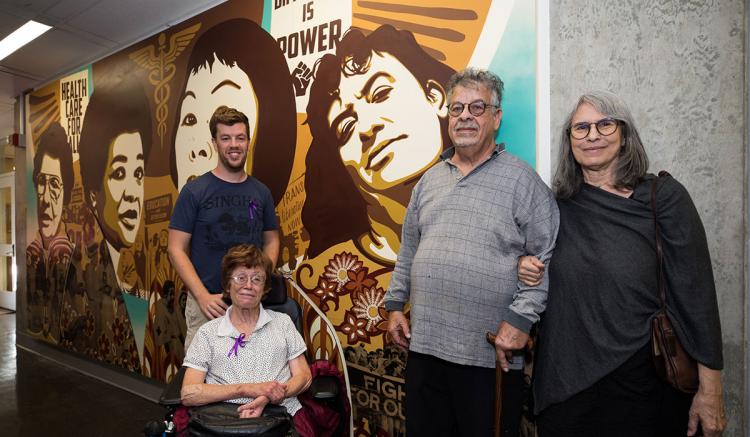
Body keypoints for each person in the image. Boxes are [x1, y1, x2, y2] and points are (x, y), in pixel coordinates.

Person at [517, 91, 726, 437]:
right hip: (565, 385)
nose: (593, 135)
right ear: (569, 142)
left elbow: (697, 297)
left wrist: (712, 390)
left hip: (644, 383)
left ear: (625, 135)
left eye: (605, 124)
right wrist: (523, 264)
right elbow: (528, 264)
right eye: (580, 128)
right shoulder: (554, 207)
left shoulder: (664, 198)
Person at [384, 68, 559, 436]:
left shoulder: (522, 180)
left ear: (496, 117)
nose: (465, 115)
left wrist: (519, 321)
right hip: (425, 350)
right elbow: (409, 251)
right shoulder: (429, 180)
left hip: (489, 357)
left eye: (477, 107)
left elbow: (546, 256)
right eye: (457, 107)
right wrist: (395, 306)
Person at [303, 24, 455, 265]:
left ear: (435, 97)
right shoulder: (322, 279)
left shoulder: (483, 225)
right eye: (346, 128)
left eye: (381, 93)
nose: (365, 129)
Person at [169, 106, 281, 348]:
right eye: (226, 138)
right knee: (201, 379)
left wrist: (262, 279)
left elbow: (271, 240)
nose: (234, 144)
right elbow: (176, 248)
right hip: (209, 304)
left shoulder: (261, 192)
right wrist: (202, 296)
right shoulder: (194, 192)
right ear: (214, 143)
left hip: (251, 302)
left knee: (249, 373)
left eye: (240, 138)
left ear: (248, 142)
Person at [181, 244, 312, 432]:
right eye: (240, 278)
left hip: (279, 416)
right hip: (222, 421)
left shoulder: (283, 323)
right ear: (227, 284)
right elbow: (189, 393)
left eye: (257, 279)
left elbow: (304, 377)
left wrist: (270, 396)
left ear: (265, 287)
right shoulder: (207, 332)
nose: (248, 285)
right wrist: (247, 389)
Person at [170, 18, 295, 205]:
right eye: (190, 119)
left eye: (228, 124)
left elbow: (270, 235)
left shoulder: (260, 201)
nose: (198, 149)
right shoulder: (185, 212)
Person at [78, 77, 151, 370]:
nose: (133, 191)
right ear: (93, 195)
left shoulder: (146, 283)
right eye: (119, 173)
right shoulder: (86, 276)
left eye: (138, 172)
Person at [26, 122, 75, 340]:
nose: (45, 198)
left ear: (66, 195)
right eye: (41, 181)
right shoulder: (30, 255)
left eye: (54, 184)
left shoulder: (74, 256)